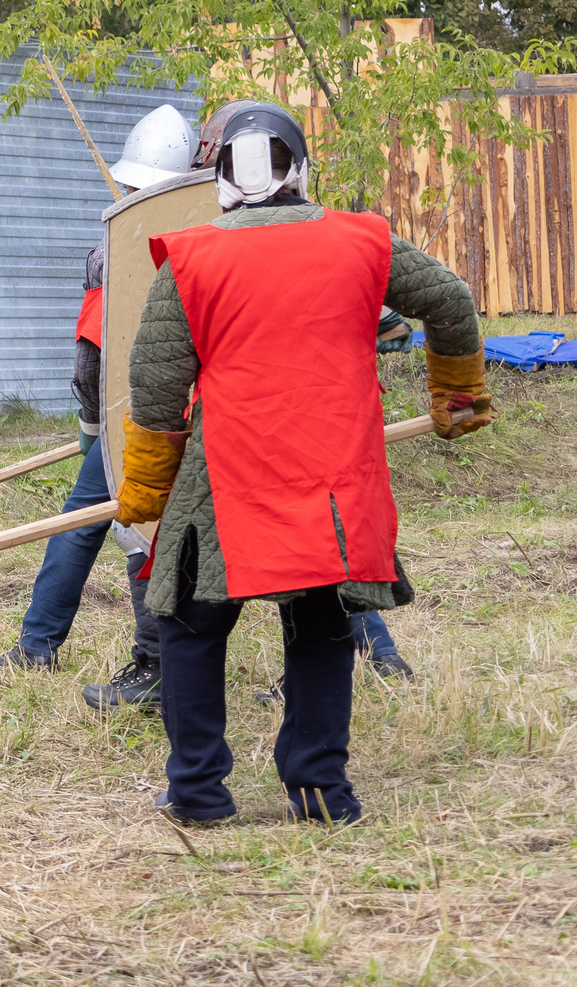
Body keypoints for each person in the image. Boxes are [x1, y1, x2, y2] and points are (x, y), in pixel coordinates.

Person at [116, 101, 487, 826]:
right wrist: (460, 394)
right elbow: (450, 299)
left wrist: (146, 490)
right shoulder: (363, 240)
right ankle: (319, 789)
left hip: (224, 479)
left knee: (191, 626)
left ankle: (197, 792)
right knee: (320, 624)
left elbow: (155, 386)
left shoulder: (191, 257)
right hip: (330, 480)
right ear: (299, 169)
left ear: (220, 174)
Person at [0, 106, 193, 701]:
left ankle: (129, 662)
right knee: (301, 523)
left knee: (125, 529)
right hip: (204, 411)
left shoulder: (114, 252)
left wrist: (89, 424)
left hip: (135, 417)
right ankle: (374, 650)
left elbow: (92, 361)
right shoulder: (218, 229)